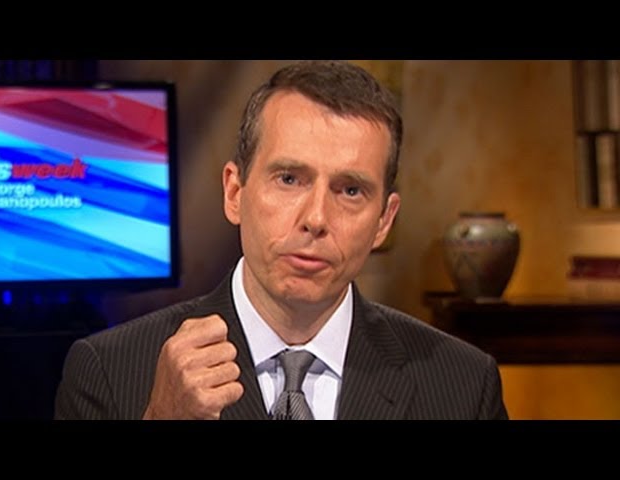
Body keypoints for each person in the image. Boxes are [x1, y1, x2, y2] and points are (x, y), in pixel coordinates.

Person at [54, 60, 508, 420]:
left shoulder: (463, 385)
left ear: (384, 220)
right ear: (235, 192)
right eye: (289, 179)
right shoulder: (108, 371)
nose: (316, 219)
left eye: (350, 190)